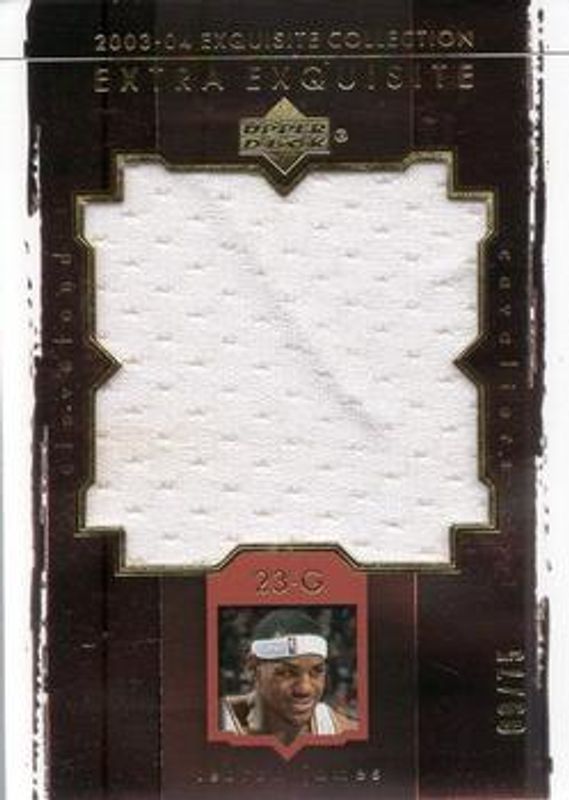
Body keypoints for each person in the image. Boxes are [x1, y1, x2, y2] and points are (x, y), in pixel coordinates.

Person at [220, 608, 358, 744]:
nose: (304, 689)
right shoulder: (217, 726)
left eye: (317, 671)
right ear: (252, 668)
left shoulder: (342, 731)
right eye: (287, 673)